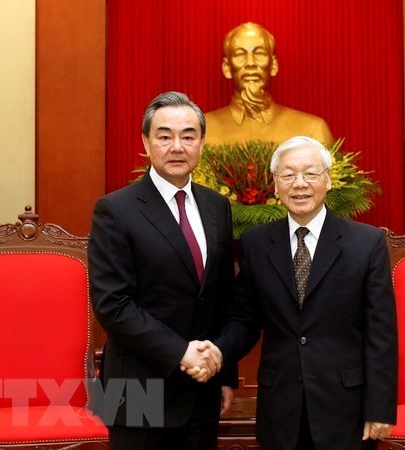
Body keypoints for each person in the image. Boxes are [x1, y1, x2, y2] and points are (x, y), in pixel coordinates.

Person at [211, 136, 398, 449]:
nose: (300, 184)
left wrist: (380, 407)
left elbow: (381, 332)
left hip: (345, 407)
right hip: (280, 405)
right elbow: (244, 318)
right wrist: (218, 355)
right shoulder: (256, 243)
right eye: (288, 175)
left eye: (310, 174)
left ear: (327, 180)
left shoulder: (365, 243)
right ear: (275, 183)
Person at [88, 91, 236, 450]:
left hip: (202, 386)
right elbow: (113, 304)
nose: (177, 146)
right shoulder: (114, 209)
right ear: (146, 142)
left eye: (188, 136)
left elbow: (222, 297)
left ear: (201, 143)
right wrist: (180, 353)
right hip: (134, 386)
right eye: (165, 135)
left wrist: (225, 372)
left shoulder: (217, 207)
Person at [205, 22, 335, 147]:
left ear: (273, 65)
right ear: (227, 67)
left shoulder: (312, 131)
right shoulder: (201, 131)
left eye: (259, 53)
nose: (250, 63)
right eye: (240, 54)